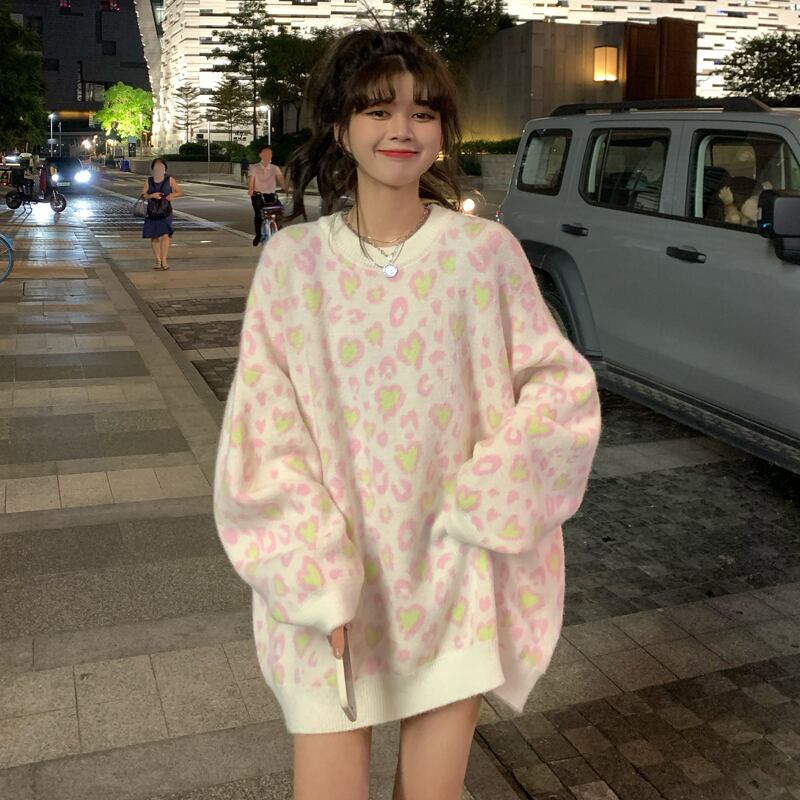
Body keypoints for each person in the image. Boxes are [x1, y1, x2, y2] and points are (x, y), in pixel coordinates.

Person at [214, 28, 601, 800]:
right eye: (377, 109)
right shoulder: (294, 262)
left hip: (452, 579)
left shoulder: (484, 254)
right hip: (333, 585)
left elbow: (562, 390)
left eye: (423, 112)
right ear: (339, 127)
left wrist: (485, 500)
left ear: (442, 131)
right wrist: (314, 574)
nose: (402, 129)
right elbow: (263, 433)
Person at [141, 158, 182, 270]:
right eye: (156, 167)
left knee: (165, 235)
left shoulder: (170, 180)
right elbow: (143, 195)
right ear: (153, 169)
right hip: (152, 212)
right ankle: (157, 260)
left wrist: (172, 195)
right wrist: (152, 195)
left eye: (161, 167)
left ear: (165, 169)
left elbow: (179, 192)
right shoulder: (148, 181)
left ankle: (164, 260)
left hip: (166, 211)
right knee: (154, 236)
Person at [248, 145, 286, 245]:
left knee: (280, 212)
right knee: (258, 215)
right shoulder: (254, 167)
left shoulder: (275, 168)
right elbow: (251, 179)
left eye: (269, 153)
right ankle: (258, 235)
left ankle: (278, 233)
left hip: (271, 195)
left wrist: (284, 187)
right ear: (260, 155)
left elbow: (280, 178)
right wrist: (251, 190)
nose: (267, 155)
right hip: (258, 195)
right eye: (265, 153)